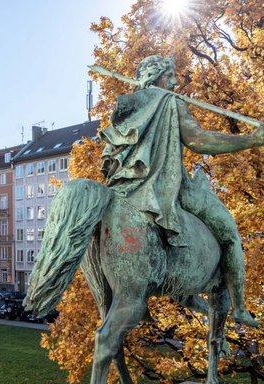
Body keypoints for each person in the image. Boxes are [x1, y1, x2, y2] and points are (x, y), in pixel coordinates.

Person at [100, 55, 264, 327]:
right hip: (171, 188)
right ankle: (239, 307)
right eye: (170, 75)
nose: (175, 82)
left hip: (125, 188)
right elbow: (199, 140)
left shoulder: (129, 105)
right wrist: (250, 140)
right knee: (230, 234)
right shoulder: (170, 102)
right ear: (157, 78)